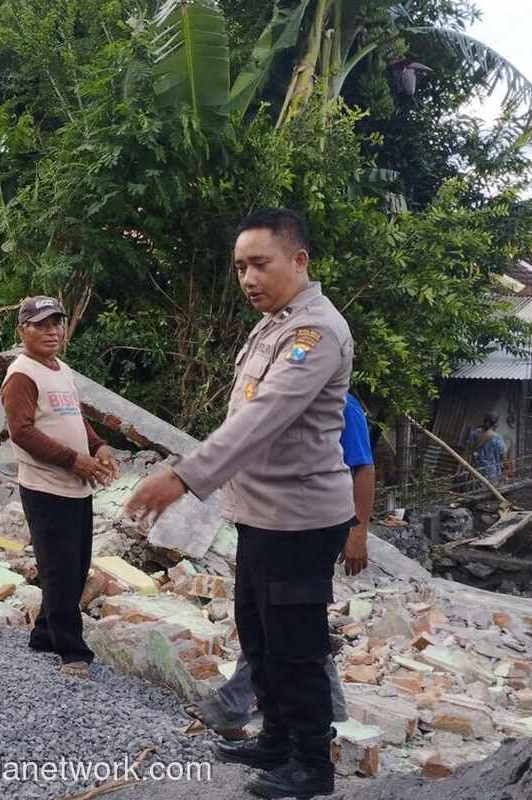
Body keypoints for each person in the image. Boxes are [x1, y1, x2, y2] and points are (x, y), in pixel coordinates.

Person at [125, 208, 354, 800]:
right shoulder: (276, 324)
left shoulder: (314, 333)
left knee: (294, 643)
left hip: (299, 520)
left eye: (260, 264)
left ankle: (312, 765)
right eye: (240, 267)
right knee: (258, 633)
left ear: (298, 260)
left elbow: (261, 420)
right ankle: (276, 738)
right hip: (259, 516)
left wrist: (181, 476)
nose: (248, 278)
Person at [191, 392, 376, 738]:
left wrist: (359, 530)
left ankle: (235, 706)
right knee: (289, 620)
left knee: (283, 618)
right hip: (275, 525)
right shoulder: (280, 400)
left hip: (311, 529)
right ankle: (326, 710)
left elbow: (362, 467)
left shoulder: (341, 405)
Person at [1, 296, 118, 679]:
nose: (51, 331)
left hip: (76, 486)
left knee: (76, 563)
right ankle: (72, 651)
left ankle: (44, 634)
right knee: (59, 570)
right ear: (23, 331)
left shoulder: (60, 369)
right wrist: (73, 459)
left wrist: (98, 445)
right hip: (47, 486)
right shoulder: (22, 375)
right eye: (41, 324)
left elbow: (74, 417)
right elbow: (21, 432)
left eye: (56, 323)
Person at [466, 413, 510, 486]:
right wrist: (507, 469)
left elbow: (469, 451)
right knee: (490, 493)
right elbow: (503, 456)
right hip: (492, 473)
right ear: (495, 424)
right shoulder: (497, 438)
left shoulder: (474, 433)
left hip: (477, 471)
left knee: (476, 491)